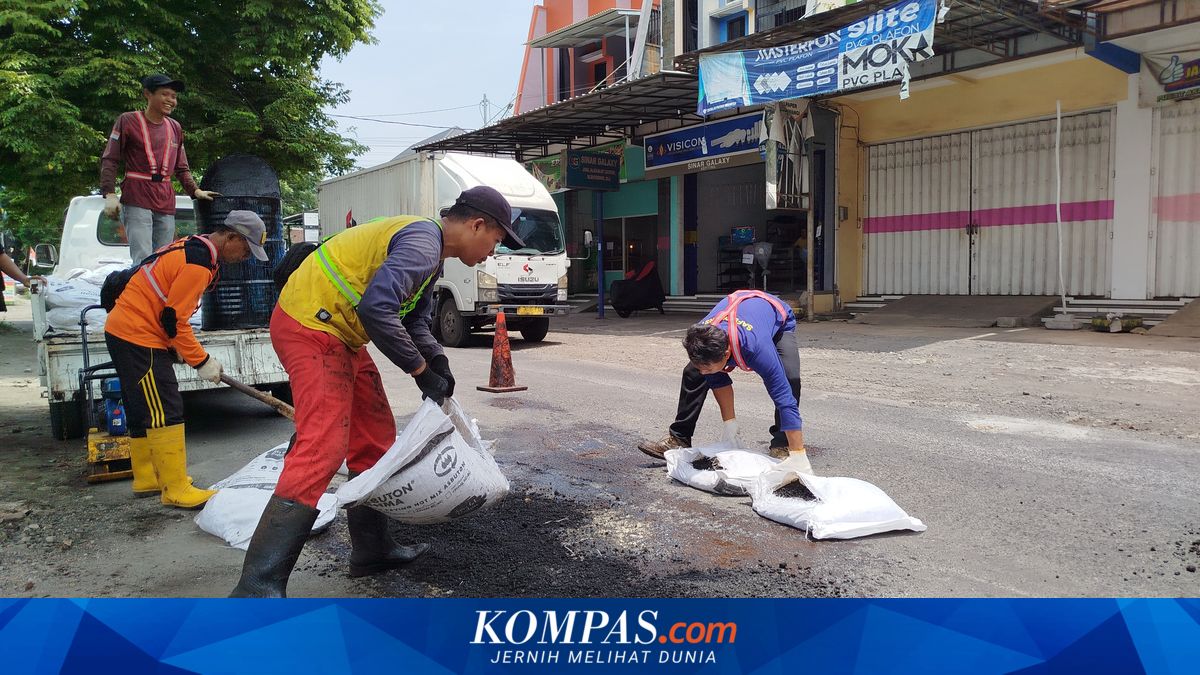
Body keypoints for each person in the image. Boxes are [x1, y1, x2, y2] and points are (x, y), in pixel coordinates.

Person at [230, 185, 525, 598]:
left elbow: (414, 320)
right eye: (495, 240)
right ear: (477, 225)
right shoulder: (423, 242)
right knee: (323, 448)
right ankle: (257, 586)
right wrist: (419, 369)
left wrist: (436, 359)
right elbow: (377, 308)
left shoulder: (431, 256)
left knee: (374, 438)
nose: (492, 252)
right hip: (311, 328)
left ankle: (372, 550)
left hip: (340, 334)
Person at [104, 211, 267, 508]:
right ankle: (175, 489)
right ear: (231, 237)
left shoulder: (195, 247)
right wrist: (201, 361)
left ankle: (148, 478)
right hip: (138, 335)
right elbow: (175, 319)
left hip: (128, 330)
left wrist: (175, 345)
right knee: (165, 408)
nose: (246, 257)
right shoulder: (198, 262)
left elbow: (166, 307)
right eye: (246, 249)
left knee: (143, 407)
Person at [636, 289, 812, 474]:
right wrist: (730, 425)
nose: (704, 371)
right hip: (733, 317)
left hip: (777, 319)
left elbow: (784, 398)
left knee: (789, 378)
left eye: (708, 368)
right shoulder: (703, 334)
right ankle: (679, 437)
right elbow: (718, 381)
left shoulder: (756, 349)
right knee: (693, 372)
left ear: (727, 354)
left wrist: (799, 454)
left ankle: (783, 444)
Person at [100, 74, 220, 265]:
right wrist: (109, 194)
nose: (171, 101)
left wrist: (195, 191)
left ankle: (159, 295)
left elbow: (181, 167)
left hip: (164, 198)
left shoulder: (175, 127)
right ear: (148, 94)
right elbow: (110, 158)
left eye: (174, 96)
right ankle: (141, 294)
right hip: (137, 195)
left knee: (164, 258)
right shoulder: (128, 121)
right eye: (165, 94)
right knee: (143, 259)